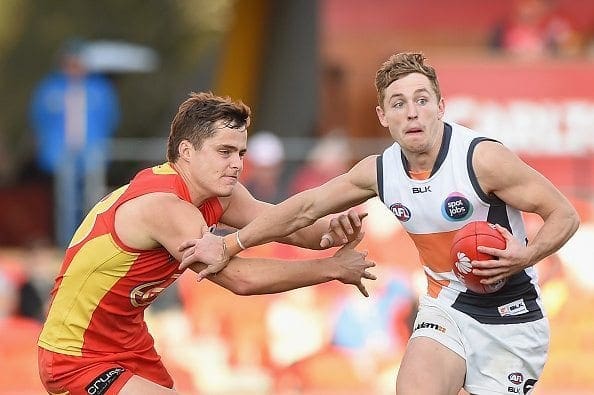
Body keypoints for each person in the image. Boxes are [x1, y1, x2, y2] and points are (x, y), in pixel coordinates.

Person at [179, 53, 580, 394]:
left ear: (441, 106)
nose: (412, 112)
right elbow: (305, 208)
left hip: (512, 317)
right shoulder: (380, 171)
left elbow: (564, 214)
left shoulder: (482, 160)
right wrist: (230, 245)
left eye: (422, 100)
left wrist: (523, 256)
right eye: (399, 103)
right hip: (448, 307)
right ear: (383, 116)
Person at [37, 91, 375, 395]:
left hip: (129, 346)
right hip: (75, 356)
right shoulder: (166, 207)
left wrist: (333, 229)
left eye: (240, 153)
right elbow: (241, 279)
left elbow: (286, 225)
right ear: (186, 151)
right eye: (224, 152)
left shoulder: (220, 195)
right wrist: (331, 267)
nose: (237, 164)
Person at [29, 38, 121, 247]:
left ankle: (91, 243)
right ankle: (68, 244)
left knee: (94, 197)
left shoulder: (99, 88)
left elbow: (111, 117)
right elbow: (38, 118)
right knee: (66, 200)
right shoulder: (50, 88)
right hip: (62, 151)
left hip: (91, 149)